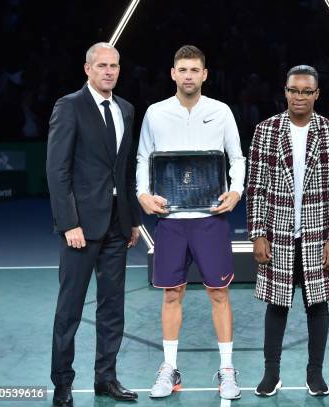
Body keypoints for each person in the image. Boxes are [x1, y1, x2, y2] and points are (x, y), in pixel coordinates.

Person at [136, 45, 245, 400]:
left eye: (194, 70)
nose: (188, 75)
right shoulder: (155, 113)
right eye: (182, 69)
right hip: (171, 219)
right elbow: (143, 158)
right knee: (172, 294)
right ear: (173, 73)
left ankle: (227, 370)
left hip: (209, 219)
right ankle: (169, 368)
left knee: (219, 293)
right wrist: (142, 194)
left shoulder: (221, 111)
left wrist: (237, 190)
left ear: (204, 74)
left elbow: (236, 157)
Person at [46, 42, 141, 406]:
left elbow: (124, 169)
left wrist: (132, 219)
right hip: (80, 229)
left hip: (118, 226)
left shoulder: (126, 109)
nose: (109, 71)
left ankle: (106, 378)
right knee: (69, 310)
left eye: (114, 65)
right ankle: (63, 384)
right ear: (87, 69)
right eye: (102, 65)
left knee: (112, 307)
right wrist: (69, 222)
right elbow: (57, 170)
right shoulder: (69, 106)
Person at [246, 65, 329, 397]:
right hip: (277, 233)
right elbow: (256, 187)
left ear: (316, 94)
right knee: (277, 305)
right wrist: (258, 233)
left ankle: (314, 374)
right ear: (285, 91)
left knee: (318, 306)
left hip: (319, 234)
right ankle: (271, 374)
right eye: (293, 90)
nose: (299, 96)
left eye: (306, 91)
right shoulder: (266, 130)